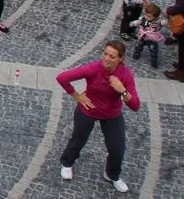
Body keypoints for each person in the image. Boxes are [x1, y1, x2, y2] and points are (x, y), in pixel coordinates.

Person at [57, 41, 140, 193]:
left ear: (121, 59)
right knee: (78, 139)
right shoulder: (94, 68)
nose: (107, 58)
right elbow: (62, 77)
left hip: (112, 114)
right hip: (88, 110)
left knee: (117, 148)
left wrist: (122, 90)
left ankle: (112, 175)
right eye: (105, 54)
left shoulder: (126, 74)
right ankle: (67, 163)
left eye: (112, 56)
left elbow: (135, 105)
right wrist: (77, 95)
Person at [129, 3, 166, 68]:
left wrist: (167, 18)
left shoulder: (157, 22)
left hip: (152, 39)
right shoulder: (143, 19)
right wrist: (133, 23)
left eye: (149, 16)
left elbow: (164, 22)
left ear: (155, 17)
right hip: (143, 37)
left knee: (153, 50)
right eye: (146, 14)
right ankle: (136, 54)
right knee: (138, 46)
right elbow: (138, 21)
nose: (146, 17)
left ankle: (154, 61)